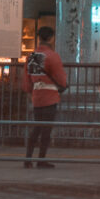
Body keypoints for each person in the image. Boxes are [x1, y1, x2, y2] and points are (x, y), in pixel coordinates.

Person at [21, 27, 68, 169]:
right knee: (46, 130)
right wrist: (63, 85)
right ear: (52, 38)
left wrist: (30, 91)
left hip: (37, 95)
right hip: (50, 96)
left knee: (36, 128)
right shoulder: (52, 56)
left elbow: (27, 80)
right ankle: (41, 160)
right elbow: (60, 78)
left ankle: (27, 159)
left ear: (39, 38)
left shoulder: (32, 56)